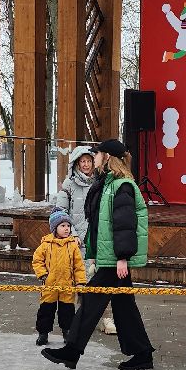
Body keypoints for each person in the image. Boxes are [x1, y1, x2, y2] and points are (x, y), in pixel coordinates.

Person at [41, 138, 155, 370]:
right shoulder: (108, 183)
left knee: (92, 298)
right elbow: (99, 223)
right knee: (124, 306)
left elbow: (124, 224)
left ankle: (72, 350)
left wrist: (122, 257)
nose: (94, 158)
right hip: (111, 257)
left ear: (108, 158)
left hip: (116, 259)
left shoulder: (122, 185)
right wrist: (95, 253)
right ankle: (142, 354)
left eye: (98, 154)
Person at [54, 144, 115, 336]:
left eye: (89, 161)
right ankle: (76, 321)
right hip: (76, 240)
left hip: (97, 238)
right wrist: (70, 234)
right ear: (76, 164)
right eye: (83, 161)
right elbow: (60, 212)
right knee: (77, 281)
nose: (86, 165)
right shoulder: (68, 185)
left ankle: (106, 319)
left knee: (100, 280)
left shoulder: (102, 182)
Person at [33, 209, 86, 346]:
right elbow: (37, 260)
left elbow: (78, 266)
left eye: (68, 226)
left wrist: (80, 282)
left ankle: (67, 332)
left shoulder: (72, 246)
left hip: (67, 286)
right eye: (63, 226)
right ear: (55, 228)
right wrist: (43, 274)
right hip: (49, 285)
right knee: (46, 311)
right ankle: (43, 334)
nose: (66, 229)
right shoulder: (46, 244)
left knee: (67, 311)